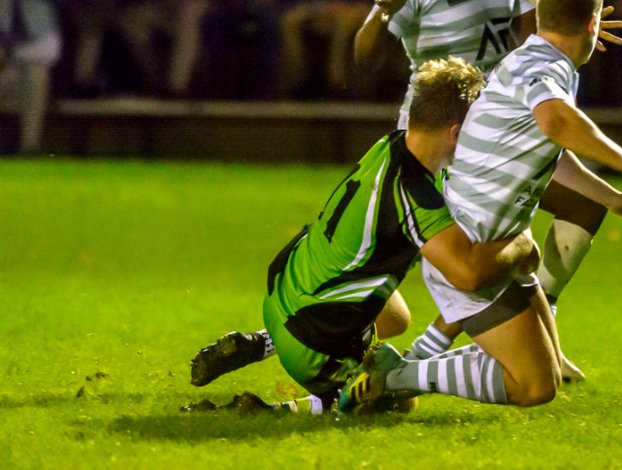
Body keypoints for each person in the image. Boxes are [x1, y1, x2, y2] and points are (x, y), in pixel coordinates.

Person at [188, 0, 622, 387]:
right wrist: (379, 17)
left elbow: (523, 36)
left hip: (498, 130)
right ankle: (302, 344)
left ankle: (539, 326)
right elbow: (363, 59)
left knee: (576, 211)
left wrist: (572, 34)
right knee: (428, 272)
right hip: (443, 143)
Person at [342, 0, 622, 410]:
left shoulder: (531, 58)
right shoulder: (546, 68)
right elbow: (557, 123)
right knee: (533, 386)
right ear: (593, 28)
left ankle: (404, 371)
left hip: (489, 244)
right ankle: (397, 376)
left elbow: (551, 150)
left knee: (546, 367)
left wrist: (610, 197)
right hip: (471, 252)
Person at [184, 56, 540, 415]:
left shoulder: (392, 144)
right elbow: (469, 275)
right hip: (311, 340)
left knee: (395, 318)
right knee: (397, 400)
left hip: (288, 289)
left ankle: (260, 343)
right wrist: (521, 242)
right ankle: (270, 410)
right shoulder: (413, 192)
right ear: (456, 132)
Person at [0, 0, 61, 154]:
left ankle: (30, 149)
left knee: (37, 73)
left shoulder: (41, 5)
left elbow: (50, 50)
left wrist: (11, 53)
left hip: (19, 72)